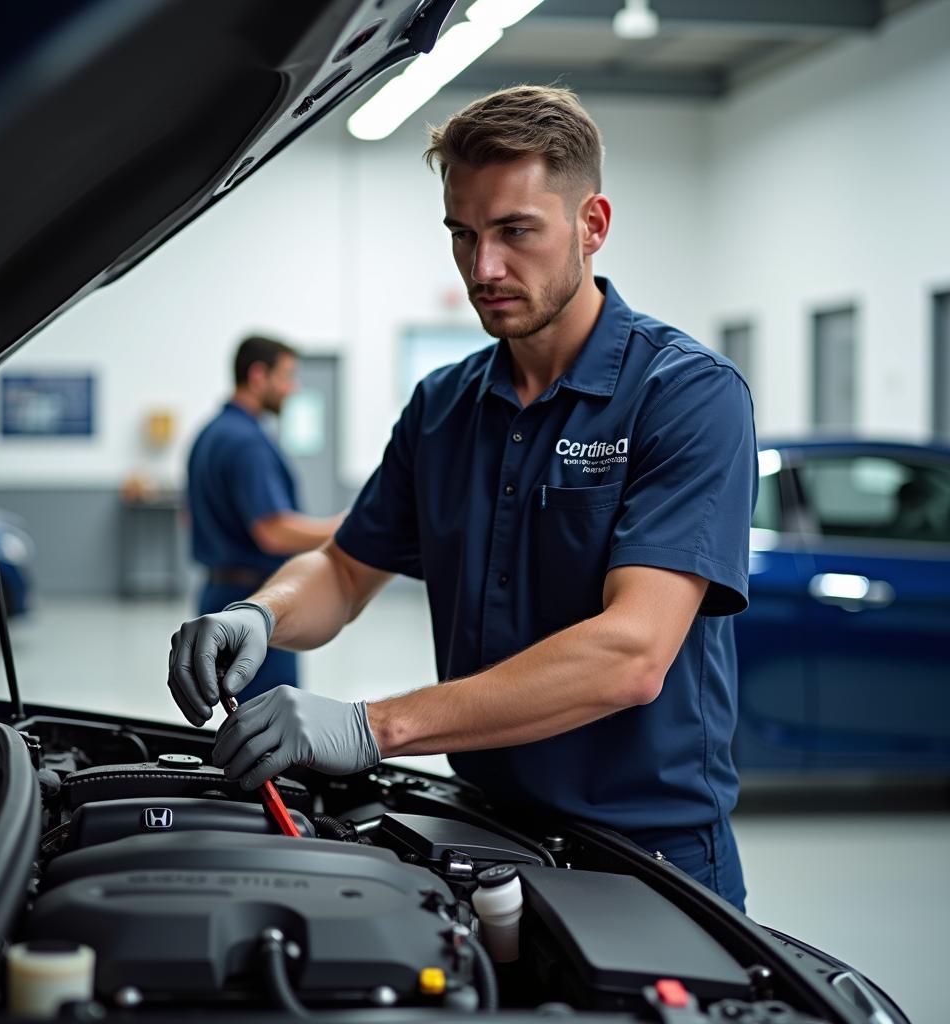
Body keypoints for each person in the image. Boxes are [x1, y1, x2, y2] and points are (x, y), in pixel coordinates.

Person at [167, 87, 757, 911]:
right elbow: (343, 569)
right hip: (486, 838)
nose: (484, 269)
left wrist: (377, 726)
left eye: (517, 231)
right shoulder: (442, 409)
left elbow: (632, 654)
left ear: (592, 225)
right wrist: (259, 615)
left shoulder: (685, 396)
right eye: (463, 235)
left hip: (649, 857)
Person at [185, 335, 342, 700]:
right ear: (258, 375)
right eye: (287, 376)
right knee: (269, 722)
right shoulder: (248, 442)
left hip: (217, 594)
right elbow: (273, 531)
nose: (293, 387)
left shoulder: (211, 433)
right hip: (254, 599)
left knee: (240, 720)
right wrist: (343, 528)